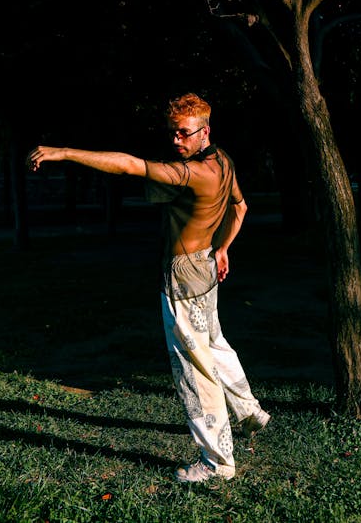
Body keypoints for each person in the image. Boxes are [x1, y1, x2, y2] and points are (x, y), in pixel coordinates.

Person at [27, 92, 270, 483]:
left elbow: (127, 165)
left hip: (183, 276)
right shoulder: (221, 160)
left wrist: (64, 151)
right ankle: (249, 409)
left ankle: (217, 461)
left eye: (184, 134)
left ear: (204, 130)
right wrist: (223, 247)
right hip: (205, 265)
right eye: (172, 133)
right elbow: (239, 207)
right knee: (214, 343)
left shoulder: (192, 173)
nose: (176, 141)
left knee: (194, 370)